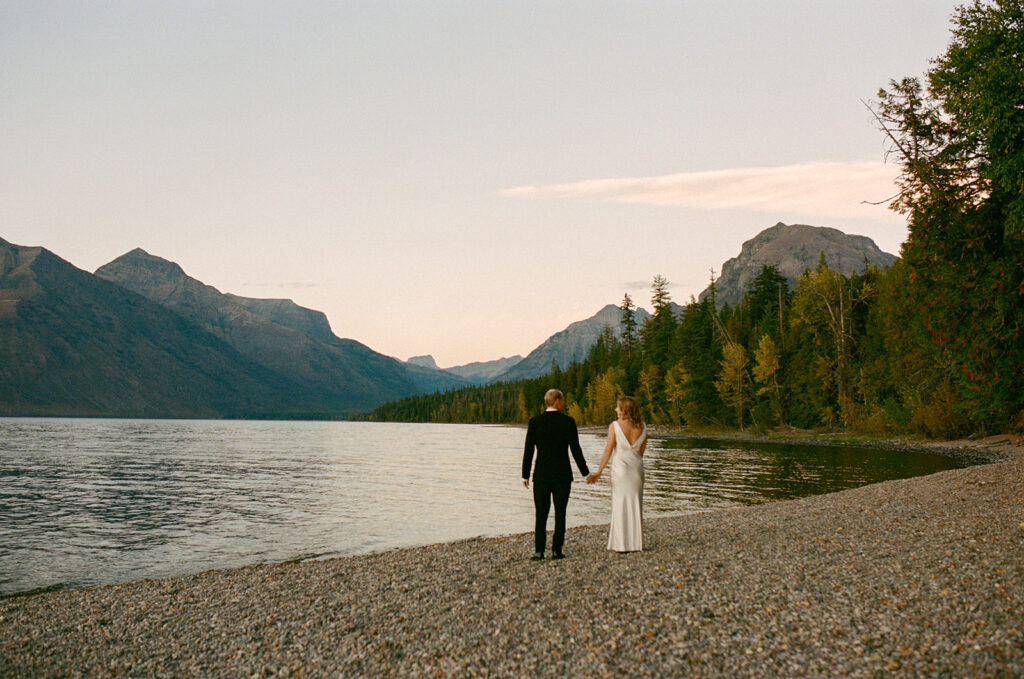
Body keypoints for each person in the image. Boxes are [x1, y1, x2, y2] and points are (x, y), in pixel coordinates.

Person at [522, 388, 590, 560]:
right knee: (560, 513)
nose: (564, 403)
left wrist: (525, 475)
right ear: (557, 401)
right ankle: (557, 550)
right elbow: (576, 449)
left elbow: (529, 450)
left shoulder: (535, 422)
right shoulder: (568, 422)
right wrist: (585, 473)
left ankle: (539, 551)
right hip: (562, 475)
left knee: (541, 513)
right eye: (563, 400)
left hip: (542, 475)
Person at [587, 396, 647, 552]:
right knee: (635, 504)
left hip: (620, 469)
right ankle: (635, 543)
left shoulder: (615, 426)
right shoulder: (643, 427)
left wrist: (599, 472)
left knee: (620, 505)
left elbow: (608, 450)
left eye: (618, 407)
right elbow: (641, 452)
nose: (615, 410)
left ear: (624, 410)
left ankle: (621, 544)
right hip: (637, 469)